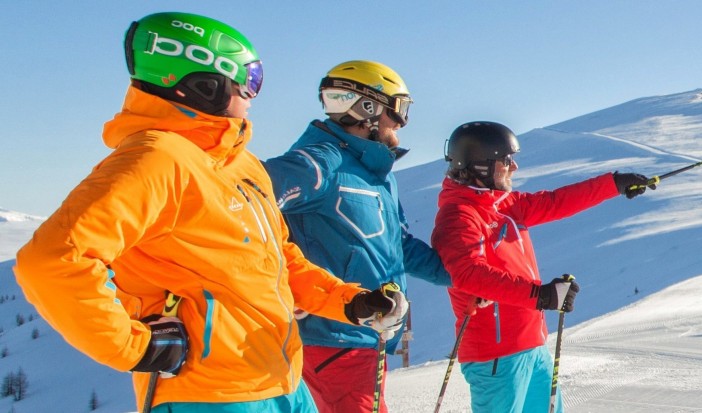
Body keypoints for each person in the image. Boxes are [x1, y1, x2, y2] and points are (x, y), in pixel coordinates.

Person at [12, 12, 407, 412]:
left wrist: (350, 302)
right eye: (249, 81)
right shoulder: (156, 161)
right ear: (207, 85)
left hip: (282, 382)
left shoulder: (240, 165)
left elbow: (279, 260)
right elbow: (52, 261)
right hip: (209, 394)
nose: (255, 95)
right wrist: (134, 347)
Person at [263, 60, 450, 413]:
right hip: (331, 339)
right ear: (368, 108)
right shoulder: (320, 162)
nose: (401, 123)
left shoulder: (375, 174)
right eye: (398, 110)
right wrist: (284, 286)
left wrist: (461, 276)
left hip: (363, 336)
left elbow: (398, 247)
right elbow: (245, 203)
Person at [432, 121, 656, 412]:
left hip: (531, 345)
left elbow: (556, 202)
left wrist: (614, 184)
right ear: (481, 166)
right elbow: (468, 274)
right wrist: (540, 295)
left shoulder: (504, 204)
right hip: (495, 355)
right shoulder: (459, 216)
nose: (514, 168)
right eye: (506, 160)